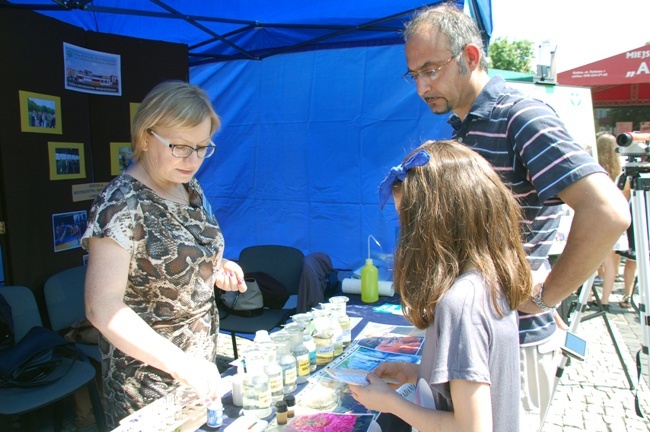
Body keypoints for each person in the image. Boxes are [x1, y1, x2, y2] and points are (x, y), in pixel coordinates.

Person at [400, 4, 630, 430]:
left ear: (470, 57)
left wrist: (547, 296)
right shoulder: (463, 127)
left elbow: (609, 212)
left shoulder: (521, 117)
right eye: (414, 74)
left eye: (430, 70)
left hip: (514, 345)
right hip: (474, 343)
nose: (421, 86)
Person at [82, 80, 246, 428]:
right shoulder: (122, 205)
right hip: (146, 380)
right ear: (145, 138)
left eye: (203, 147)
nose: (194, 160)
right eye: (181, 147)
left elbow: (188, 254)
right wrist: (181, 364)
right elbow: (102, 307)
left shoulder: (189, 187)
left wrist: (218, 267)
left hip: (197, 368)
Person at [350, 140, 530, 432]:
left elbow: (471, 428)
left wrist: (391, 403)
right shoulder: (489, 278)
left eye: (407, 221)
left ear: (435, 224)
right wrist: (415, 372)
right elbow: (476, 379)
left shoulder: (459, 304)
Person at [593, 133, 635, 311]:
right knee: (612, 263)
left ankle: (589, 295)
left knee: (595, 260)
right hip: (618, 219)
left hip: (598, 217)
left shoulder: (594, 167)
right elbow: (625, 197)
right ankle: (606, 299)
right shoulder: (622, 171)